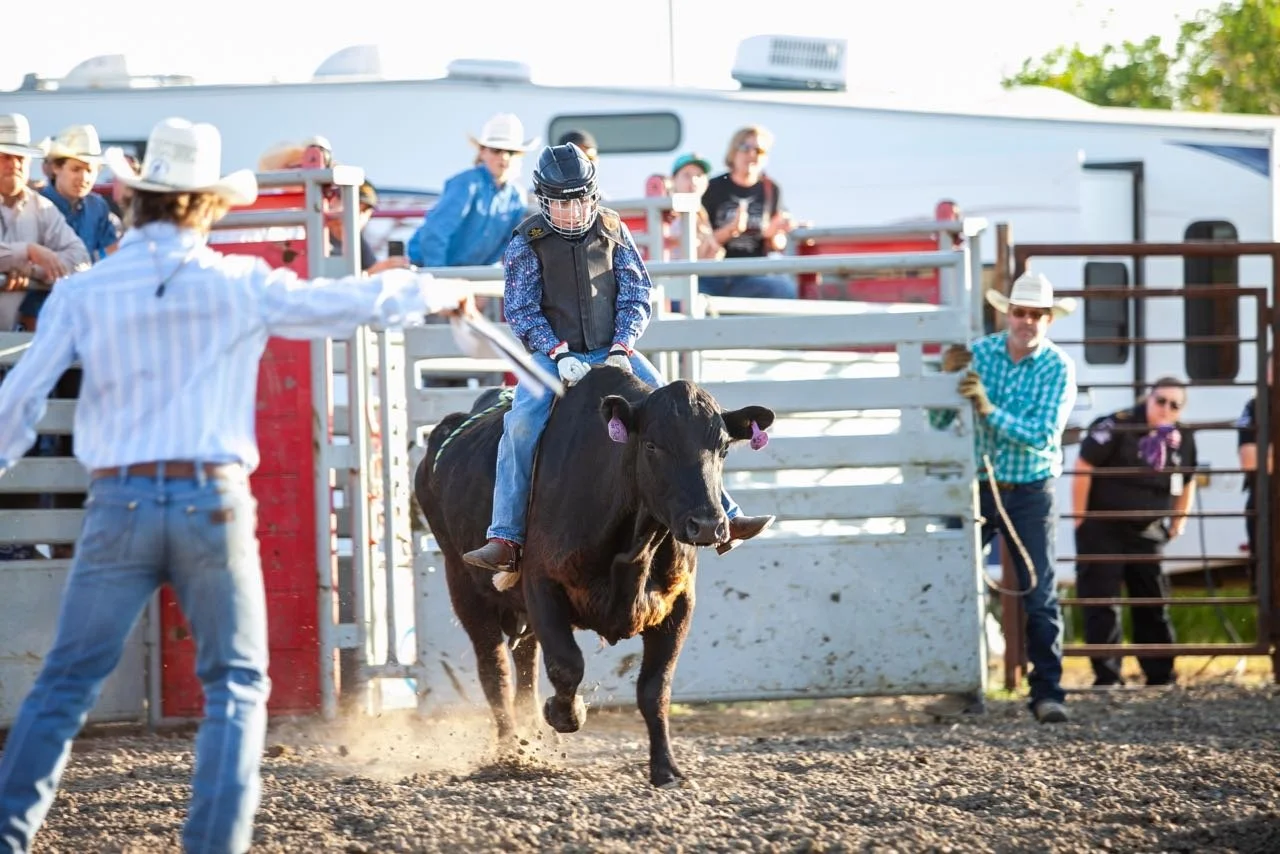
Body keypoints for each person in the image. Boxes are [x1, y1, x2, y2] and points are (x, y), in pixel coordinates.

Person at [0, 117, 479, 854]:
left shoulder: (85, 292)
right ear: (209, 204)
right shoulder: (237, 284)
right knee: (235, 684)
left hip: (120, 503)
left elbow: (18, 402)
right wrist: (435, 291)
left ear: (134, 199)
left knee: (65, 684)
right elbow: (343, 303)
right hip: (210, 502)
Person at [462, 142, 775, 572]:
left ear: (592, 195)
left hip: (613, 349)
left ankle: (727, 514)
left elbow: (636, 294)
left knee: (679, 414)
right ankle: (506, 536)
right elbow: (520, 309)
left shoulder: (613, 229)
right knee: (521, 424)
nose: (573, 211)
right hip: (553, 355)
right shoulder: (526, 242)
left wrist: (621, 346)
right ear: (545, 201)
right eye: (561, 203)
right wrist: (556, 350)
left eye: (579, 200)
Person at [930, 271, 1077, 723]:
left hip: (1030, 488)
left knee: (1040, 591)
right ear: (1008, 314)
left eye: (1035, 314)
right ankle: (959, 687)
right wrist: (943, 380)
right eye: (1020, 312)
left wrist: (988, 409)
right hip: (980, 485)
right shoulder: (978, 353)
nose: (1026, 321)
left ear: (1048, 319)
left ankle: (1048, 692)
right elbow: (938, 420)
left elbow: (1042, 435)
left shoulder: (1058, 367)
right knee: (953, 582)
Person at [1073, 378, 1195, 687]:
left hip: (1147, 529)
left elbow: (1188, 479)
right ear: (1148, 398)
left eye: (1174, 405)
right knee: (1102, 602)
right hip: (1103, 526)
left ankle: (1160, 675)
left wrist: (1178, 521)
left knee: (1152, 603)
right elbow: (1084, 465)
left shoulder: (1181, 438)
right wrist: (1080, 520)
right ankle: (1107, 677)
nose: (1165, 409)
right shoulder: (1117, 425)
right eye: (1160, 400)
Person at [407, 113, 535, 268]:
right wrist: (438, 273)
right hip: (426, 267)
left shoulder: (516, 197)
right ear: (482, 152)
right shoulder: (466, 184)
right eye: (497, 150)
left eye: (512, 152)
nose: (505, 157)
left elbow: (506, 244)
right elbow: (435, 232)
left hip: (466, 272)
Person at [698, 125, 797, 299]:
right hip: (713, 272)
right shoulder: (713, 187)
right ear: (733, 151)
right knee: (686, 296)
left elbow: (777, 242)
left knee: (784, 289)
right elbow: (700, 240)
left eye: (759, 150)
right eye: (745, 147)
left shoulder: (771, 189)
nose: (752, 154)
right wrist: (730, 230)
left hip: (753, 273)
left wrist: (775, 234)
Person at [1237, 356, 1270, 588]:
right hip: (1263, 503)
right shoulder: (1254, 407)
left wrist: (1267, 451)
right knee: (1266, 581)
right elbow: (1249, 460)